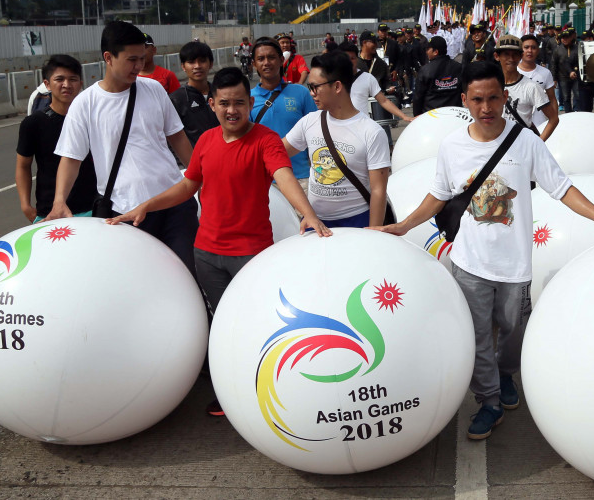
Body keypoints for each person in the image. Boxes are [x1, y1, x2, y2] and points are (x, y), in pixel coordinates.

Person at [372, 61, 594, 440]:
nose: (486, 108)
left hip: (516, 264)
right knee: (479, 336)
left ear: (505, 97)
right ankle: (489, 401)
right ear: (464, 100)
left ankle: (503, 374)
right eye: (478, 99)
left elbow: (560, 187)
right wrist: (403, 225)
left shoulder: (525, 140)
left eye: (494, 98)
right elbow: (438, 195)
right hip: (469, 261)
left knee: (514, 332)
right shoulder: (452, 145)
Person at [107, 67, 330, 417]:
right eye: (224, 103)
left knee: (256, 325)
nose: (232, 110)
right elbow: (187, 186)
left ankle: (267, 392)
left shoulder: (265, 140)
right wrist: (146, 206)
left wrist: (307, 213)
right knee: (223, 328)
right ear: (212, 104)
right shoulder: (207, 142)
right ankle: (231, 393)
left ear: (249, 103)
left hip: (252, 255)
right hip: (207, 254)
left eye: (239, 102)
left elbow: (283, 176)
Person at [48, 21, 199, 272]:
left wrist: (201, 180)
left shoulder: (154, 90)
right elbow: (71, 159)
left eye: (141, 58)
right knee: (139, 280)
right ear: (108, 57)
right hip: (125, 212)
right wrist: (59, 200)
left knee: (185, 274)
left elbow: (178, 138)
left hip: (175, 205)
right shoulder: (86, 104)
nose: (139, 66)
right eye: (131, 60)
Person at [282, 51, 391, 228]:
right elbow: (278, 152)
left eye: (315, 87)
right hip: (315, 223)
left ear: (337, 86)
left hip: (357, 221)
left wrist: (373, 233)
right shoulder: (309, 121)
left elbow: (378, 190)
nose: (311, 93)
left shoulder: (371, 132)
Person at [16, 55, 97, 223]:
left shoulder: (93, 119)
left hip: (93, 209)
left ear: (80, 84)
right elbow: (23, 166)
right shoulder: (33, 123)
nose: (66, 85)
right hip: (51, 213)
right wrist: (25, 205)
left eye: (72, 79)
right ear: (47, 84)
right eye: (59, 79)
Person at [250, 37, 318, 190]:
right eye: (260, 59)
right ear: (254, 64)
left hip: (301, 179)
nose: (266, 62)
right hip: (264, 182)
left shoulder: (300, 93)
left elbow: (316, 133)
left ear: (281, 60)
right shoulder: (247, 99)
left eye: (272, 57)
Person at [494, 35, 558, 140]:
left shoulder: (531, 87)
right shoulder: (491, 85)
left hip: (521, 144)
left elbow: (554, 119)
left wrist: (538, 144)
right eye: (506, 54)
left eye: (515, 55)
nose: (511, 59)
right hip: (496, 142)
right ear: (497, 56)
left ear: (520, 56)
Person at [338, 41, 412, 123]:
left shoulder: (367, 78)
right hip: (340, 127)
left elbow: (383, 101)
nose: (350, 62)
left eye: (353, 58)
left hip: (361, 127)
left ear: (357, 58)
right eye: (346, 58)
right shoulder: (332, 80)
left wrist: (404, 116)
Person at [169, 41, 219, 146]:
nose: (197, 66)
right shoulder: (176, 100)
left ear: (211, 64)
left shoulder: (221, 94)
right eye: (191, 62)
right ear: (183, 66)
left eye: (202, 61)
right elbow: (172, 139)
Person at [412, 36, 463, 116]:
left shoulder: (425, 70)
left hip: (432, 116)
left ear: (435, 52)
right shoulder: (459, 67)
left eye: (428, 49)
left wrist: (417, 115)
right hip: (455, 115)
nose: (426, 52)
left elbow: (418, 97)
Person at [518, 34, 558, 132]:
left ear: (538, 51)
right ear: (520, 50)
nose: (529, 51)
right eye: (526, 47)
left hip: (540, 124)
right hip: (518, 124)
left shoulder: (545, 73)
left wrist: (554, 120)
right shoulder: (513, 72)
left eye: (533, 48)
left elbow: (552, 99)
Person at [550, 28, 580, 112]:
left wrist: (575, 71)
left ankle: (576, 111)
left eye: (566, 37)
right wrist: (554, 79)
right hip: (562, 77)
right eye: (562, 38)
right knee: (566, 97)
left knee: (577, 95)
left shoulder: (577, 48)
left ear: (571, 38)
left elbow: (581, 62)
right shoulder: (557, 50)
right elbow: (554, 65)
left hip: (575, 76)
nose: (564, 40)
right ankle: (568, 113)